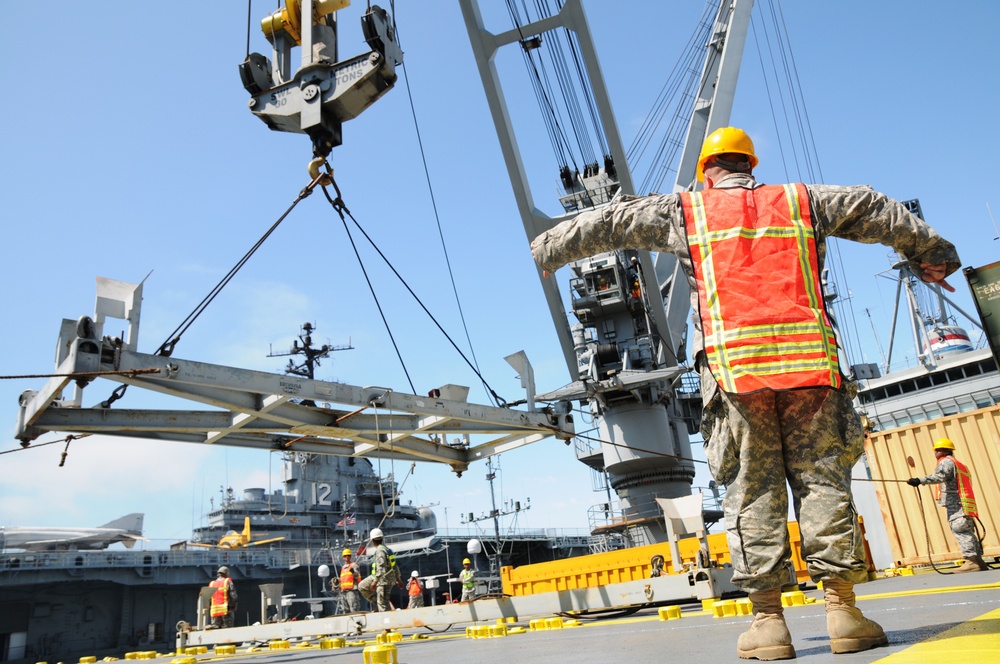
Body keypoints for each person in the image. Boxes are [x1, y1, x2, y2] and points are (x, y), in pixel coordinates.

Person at [531, 126, 960, 660]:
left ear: (705, 171)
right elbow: (873, 205)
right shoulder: (803, 202)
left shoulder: (684, 212)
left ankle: (769, 624)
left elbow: (611, 221)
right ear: (749, 163)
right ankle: (844, 611)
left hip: (737, 376)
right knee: (824, 483)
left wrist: (549, 248)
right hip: (812, 371)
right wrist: (932, 252)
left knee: (752, 492)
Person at [907, 438, 988, 573]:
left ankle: (972, 561)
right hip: (963, 502)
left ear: (945, 450)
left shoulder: (946, 462)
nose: (935, 452)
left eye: (938, 449)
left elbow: (940, 477)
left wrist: (919, 480)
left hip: (956, 503)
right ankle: (978, 561)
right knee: (967, 530)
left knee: (960, 529)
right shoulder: (958, 464)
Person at [358, 527, 400, 612]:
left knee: (382, 605)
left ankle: (385, 622)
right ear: (382, 538)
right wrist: (398, 578)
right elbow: (395, 566)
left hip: (382, 580)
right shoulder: (388, 550)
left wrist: (374, 582)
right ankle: (378, 603)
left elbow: (381, 569)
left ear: (372, 540)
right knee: (363, 586)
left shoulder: (380, 551)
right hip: (388, 579)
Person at [338, 548, 362, 613]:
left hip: (352, 591)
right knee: (345, 610)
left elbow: (358, 576)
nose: (347, 557)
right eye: (345, 556)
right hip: (343, 591)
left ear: (350, 556)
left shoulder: (354, 565)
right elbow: (343, 579)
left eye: (348, 555)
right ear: (343, 557)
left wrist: (353, 572)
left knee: (354, 609)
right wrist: (338, 581)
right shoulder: (343, 567)